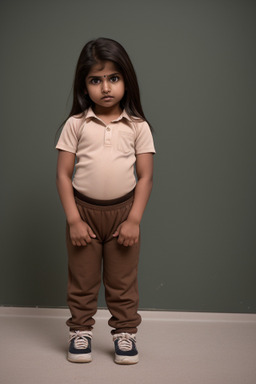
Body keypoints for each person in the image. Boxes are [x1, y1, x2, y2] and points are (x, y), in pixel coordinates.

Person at [56, 37, 155, 365]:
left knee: (122, 280)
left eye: (113, 78)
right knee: (82, 278)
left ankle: (125, 333)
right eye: (95, 80)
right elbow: (63, 175)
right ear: (84, 86)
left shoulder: (138, 126)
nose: (105, 87)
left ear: (126, 79)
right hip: (83, 212)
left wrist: (134, 219)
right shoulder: (75, 124)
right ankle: (80, 330)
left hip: (123, 213)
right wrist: (73, 218)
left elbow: (145, 177)